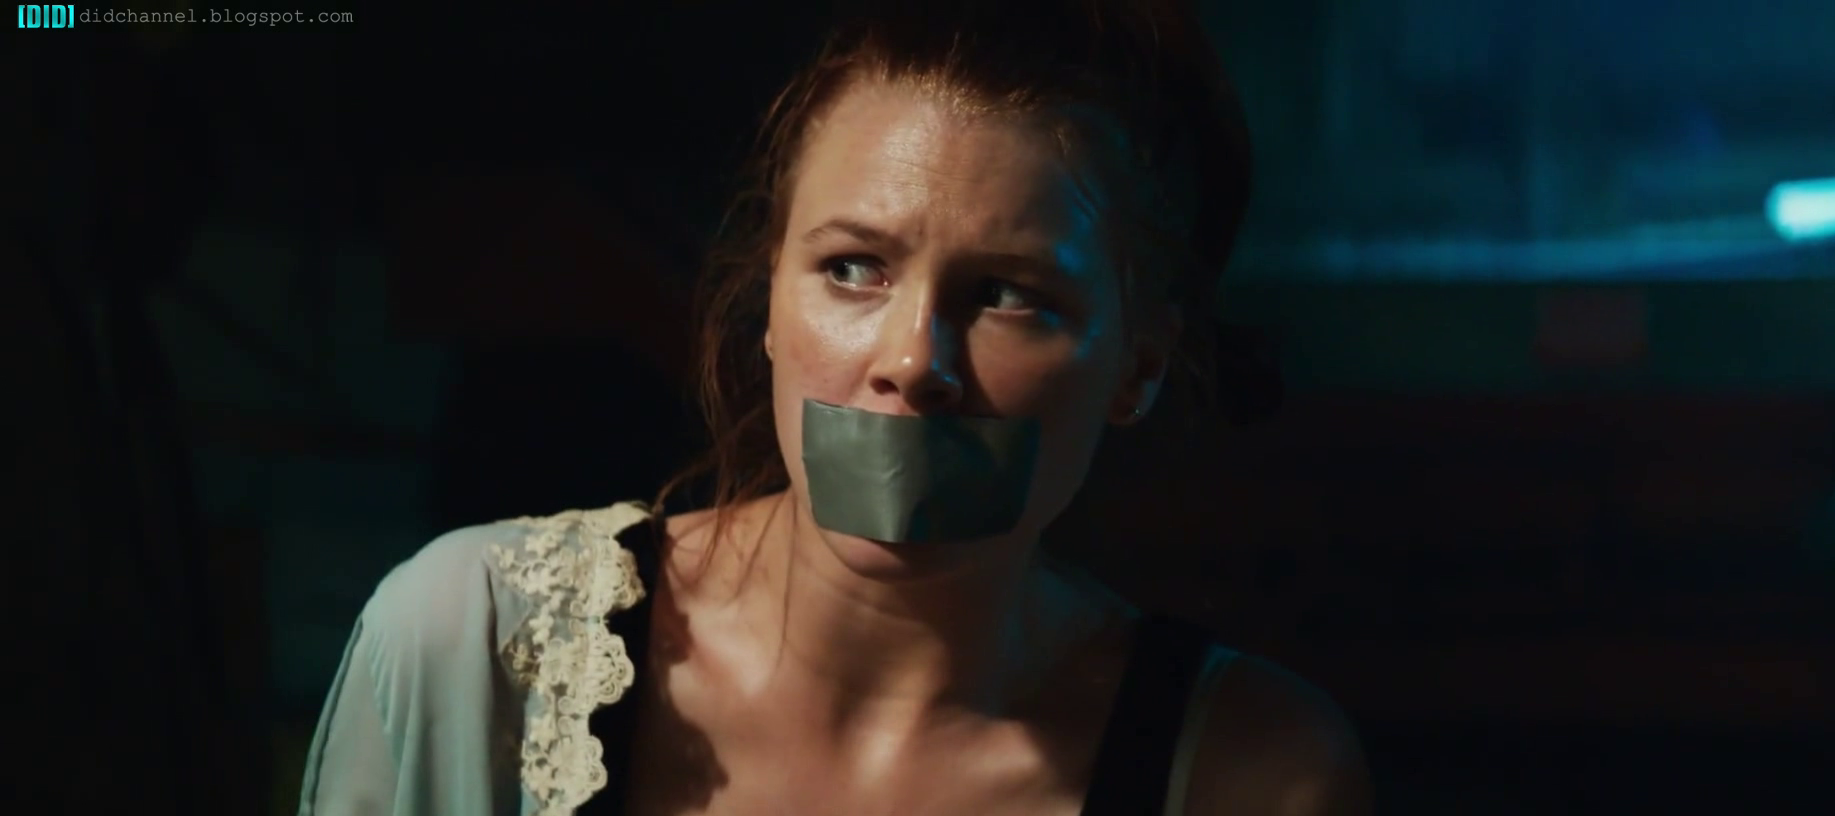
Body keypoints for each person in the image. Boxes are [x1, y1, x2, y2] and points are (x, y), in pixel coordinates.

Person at [299, 2, 1371, 814]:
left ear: (1139, 366)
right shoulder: (471, 643)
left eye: (1009, 296)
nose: (912, 362)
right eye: (854, 269)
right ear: (770, 298)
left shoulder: (1249, 772)